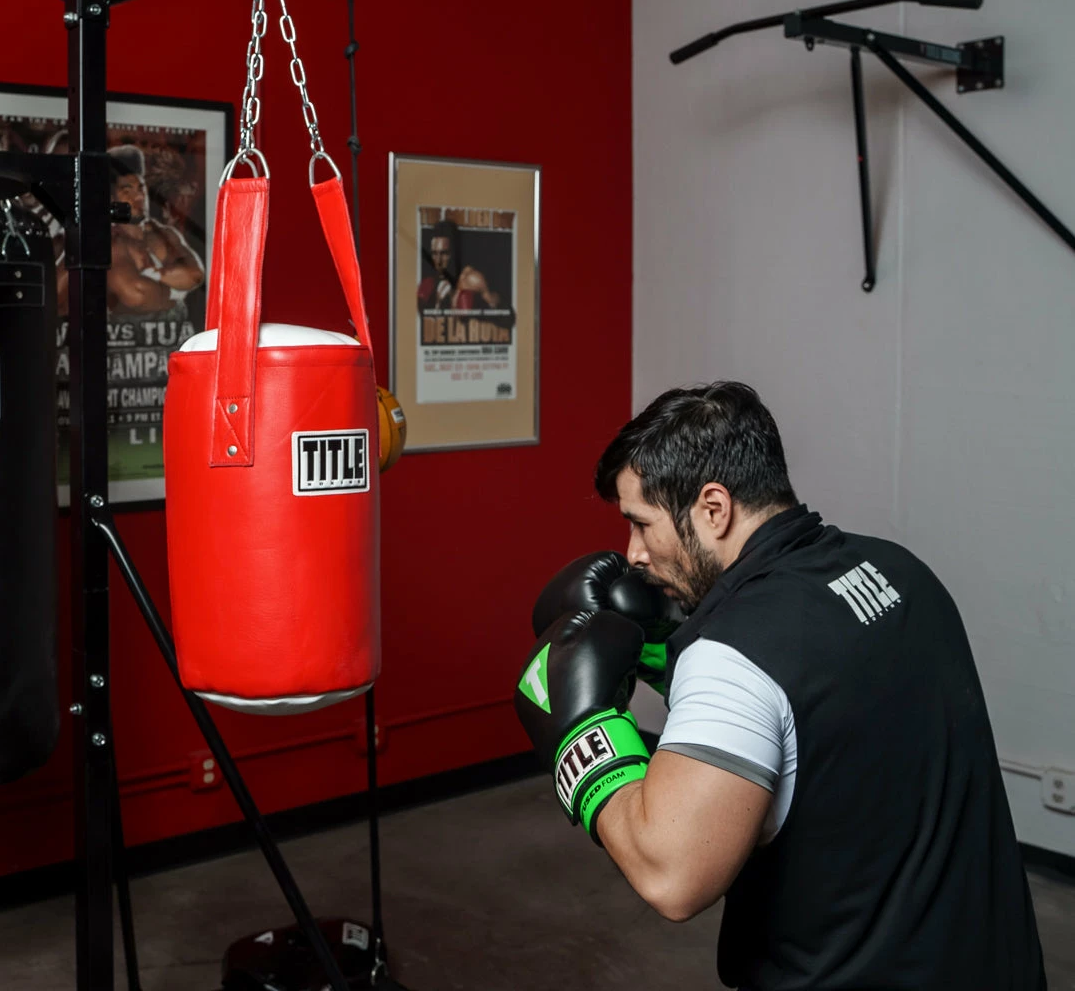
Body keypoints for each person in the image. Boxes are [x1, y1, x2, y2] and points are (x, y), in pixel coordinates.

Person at [513, 381, 1046, 990]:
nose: (632, 553)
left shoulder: (732, 657)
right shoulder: (898, 570)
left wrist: (580, 733)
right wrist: (670, 652)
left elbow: (671, 876)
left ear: (713, 508)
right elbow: (812, 698)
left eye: (641, 523)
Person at [105, 144, 204, 316]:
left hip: (179, 332)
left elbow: (195, 275)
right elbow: (137, 294)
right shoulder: (112, 242)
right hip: (130, 332)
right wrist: (175, 293)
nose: (139, 196)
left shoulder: (164, 233)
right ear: (111, 198)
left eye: (141, 188)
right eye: (127, 191)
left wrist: (153, 274)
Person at [417, 218, 500, 312]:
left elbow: (497, 307)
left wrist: (479, 304)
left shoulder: (471, 279)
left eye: (444, 253)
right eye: (434, 254)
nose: (438, 261)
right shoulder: (433, 283)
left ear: (455, 252)